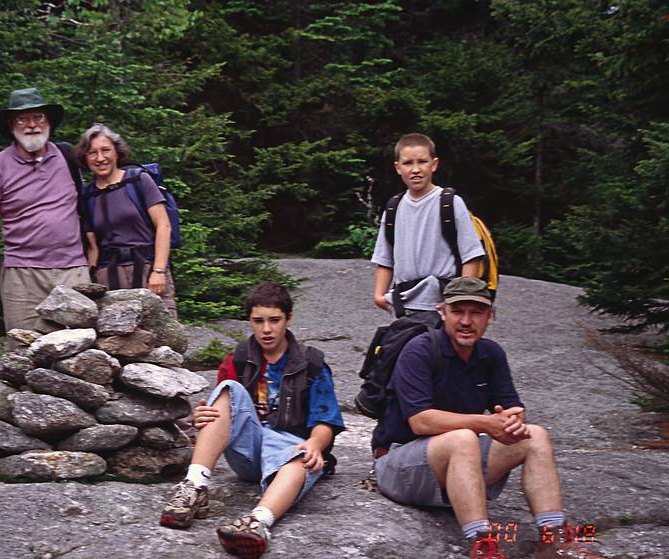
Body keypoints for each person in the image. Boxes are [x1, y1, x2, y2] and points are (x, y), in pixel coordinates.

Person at [371, 277, 606, 559]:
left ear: (490, 316)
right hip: (399, 466)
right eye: (458, 311)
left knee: (535, 435)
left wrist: (512, 420)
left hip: (455, 468)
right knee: (463, 437)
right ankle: (483, 545)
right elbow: (420, 422)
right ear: (442, 312)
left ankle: (552, 540)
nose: (466, 321)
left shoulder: (490, 353)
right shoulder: (420, 350)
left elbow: (512, 408)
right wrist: (486, 423)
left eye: (476, 312)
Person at [158, 281, 344, 558]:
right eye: (258, 321)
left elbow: (326, 418)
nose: (266, 329)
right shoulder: (239, 358)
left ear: (288, 319)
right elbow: (223, 407)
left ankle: (258, 522)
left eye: (274, 320)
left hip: (288, 451)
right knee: (227, 390)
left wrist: (316, 443)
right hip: (249, 451)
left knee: (299, 456)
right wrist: (205, 415)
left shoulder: (311, 363)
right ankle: (194, 486)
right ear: (249, 321)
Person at [0, 87, 90, 334]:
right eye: (22, 118)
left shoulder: (68, 156)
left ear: (48, 122)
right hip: (22, 273)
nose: (31, 124)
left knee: (81, 347)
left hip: (73, 268)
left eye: (38, 117)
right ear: (11, 125)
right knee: (23, 351)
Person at [371, 133, 485, 324]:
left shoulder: (450, 203)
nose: (415, 169)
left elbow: (471, 256)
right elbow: (385, 259)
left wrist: (460, 304)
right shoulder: (393, 207)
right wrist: (379, 297)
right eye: (408, 163)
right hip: (403, 309)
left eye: (422, 161)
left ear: (434, 164)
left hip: (442, 306)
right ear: (398, 168)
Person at [72, 124, 176, 317]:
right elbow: (93, 247)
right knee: (115, 342)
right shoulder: (87, 195)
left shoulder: (138, 181)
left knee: (161, 340)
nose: (100, 158)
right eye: (92, 153)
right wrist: (90, 283)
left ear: (117, 152)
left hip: (148, 269)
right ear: (85, 158)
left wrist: (159, 271)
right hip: (108, 276)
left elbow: (163, 225)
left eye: (105, 150)